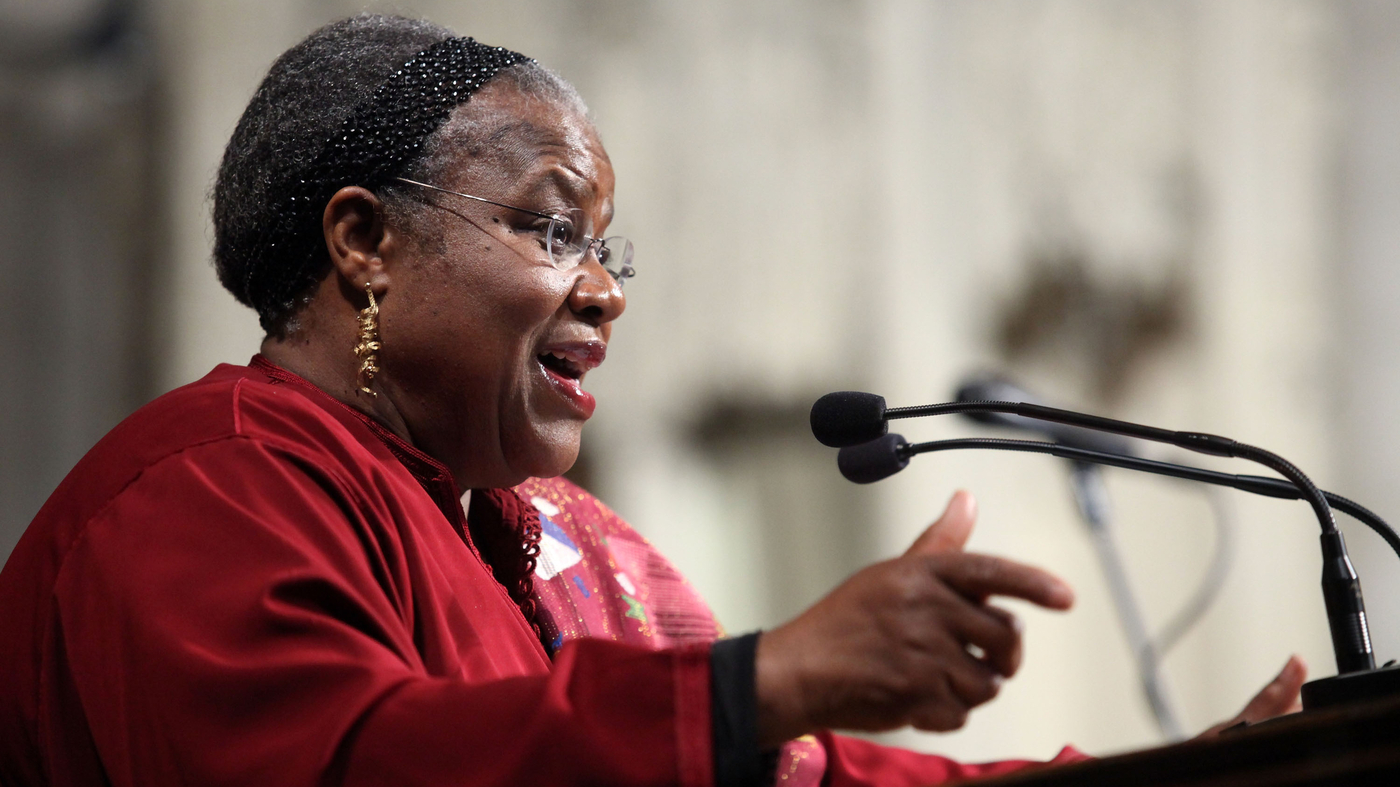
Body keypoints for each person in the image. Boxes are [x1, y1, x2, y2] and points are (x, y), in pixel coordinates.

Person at [0, 14, 1306, 787]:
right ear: (364, 241)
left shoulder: (577, 546)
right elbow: (365, 767)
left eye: (608, 251)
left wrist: (1202, 780)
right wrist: (772, 677)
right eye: (553, 230)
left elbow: (816, 776)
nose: (606, 294)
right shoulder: (201, 492)